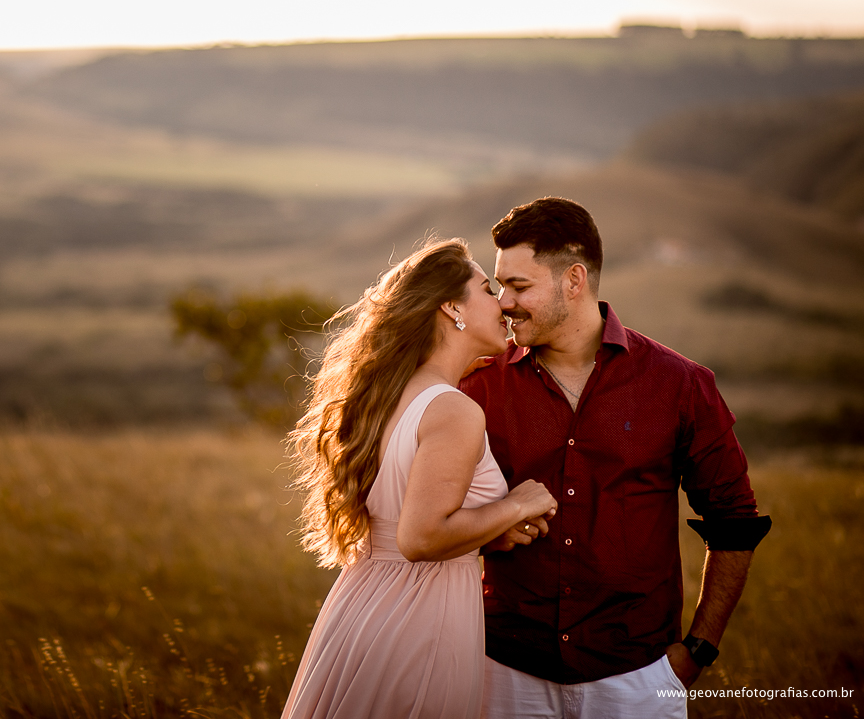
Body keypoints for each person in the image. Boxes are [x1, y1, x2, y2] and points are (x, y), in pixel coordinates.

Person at [459, 197, 772, 718]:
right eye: (500, 286)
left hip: (638, 680)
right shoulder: (478, 387)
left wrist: (696, 652)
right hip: (505, 674)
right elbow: (434, 517)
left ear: (574, 280)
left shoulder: (680, 385)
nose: (504, 303)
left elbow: (734, 524)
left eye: (519, 286)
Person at [282, 238, 558, 719]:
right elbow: (421, 536)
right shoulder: (453, 409)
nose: (503, 305)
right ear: (451, 307)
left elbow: (408, 517)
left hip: (363, 603)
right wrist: (517, 505)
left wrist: (489, 529)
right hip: (421, 617)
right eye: (487, 289)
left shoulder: (388, 395)